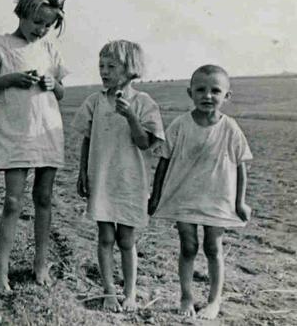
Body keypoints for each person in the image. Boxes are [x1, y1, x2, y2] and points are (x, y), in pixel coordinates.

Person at [0, 0, 69, 296]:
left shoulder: (49, 50)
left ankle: (40, 265)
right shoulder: (0, 46)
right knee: (13, 202)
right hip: (16, 133)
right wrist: (10, 80)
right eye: (36, 22)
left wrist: (54, 83)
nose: (41, 30)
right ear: (22, 14)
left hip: (48, 130)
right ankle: (1, 275)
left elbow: (62, 91)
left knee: (43, 198)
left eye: (47, 25)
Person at [148, 64, 252, 320]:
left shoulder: (230, 128)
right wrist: (155, 196)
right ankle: (186, 296)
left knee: (213, 247)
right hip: (185, 196)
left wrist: (240, 203)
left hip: (218, 197)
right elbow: (163, 161)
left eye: (215, 91)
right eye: (201, 90)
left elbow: (241, 167)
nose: (207, 96)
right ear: (190, 93)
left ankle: (214, 301)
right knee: (188, 246)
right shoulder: (180, 125)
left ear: (227, 96)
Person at [72, 40, 165, 311]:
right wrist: (82, 172)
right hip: (101, 178)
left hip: (129, 181)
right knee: (104, 237)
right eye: (101, 65)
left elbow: (145, 143)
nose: (104, 71)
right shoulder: (95, 102)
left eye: (112, 66)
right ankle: (109, 291)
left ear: (130, 69)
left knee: (126, 240)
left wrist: (131, 117)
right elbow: (87, 139)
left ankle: (131, 293)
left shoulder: (143, 103)